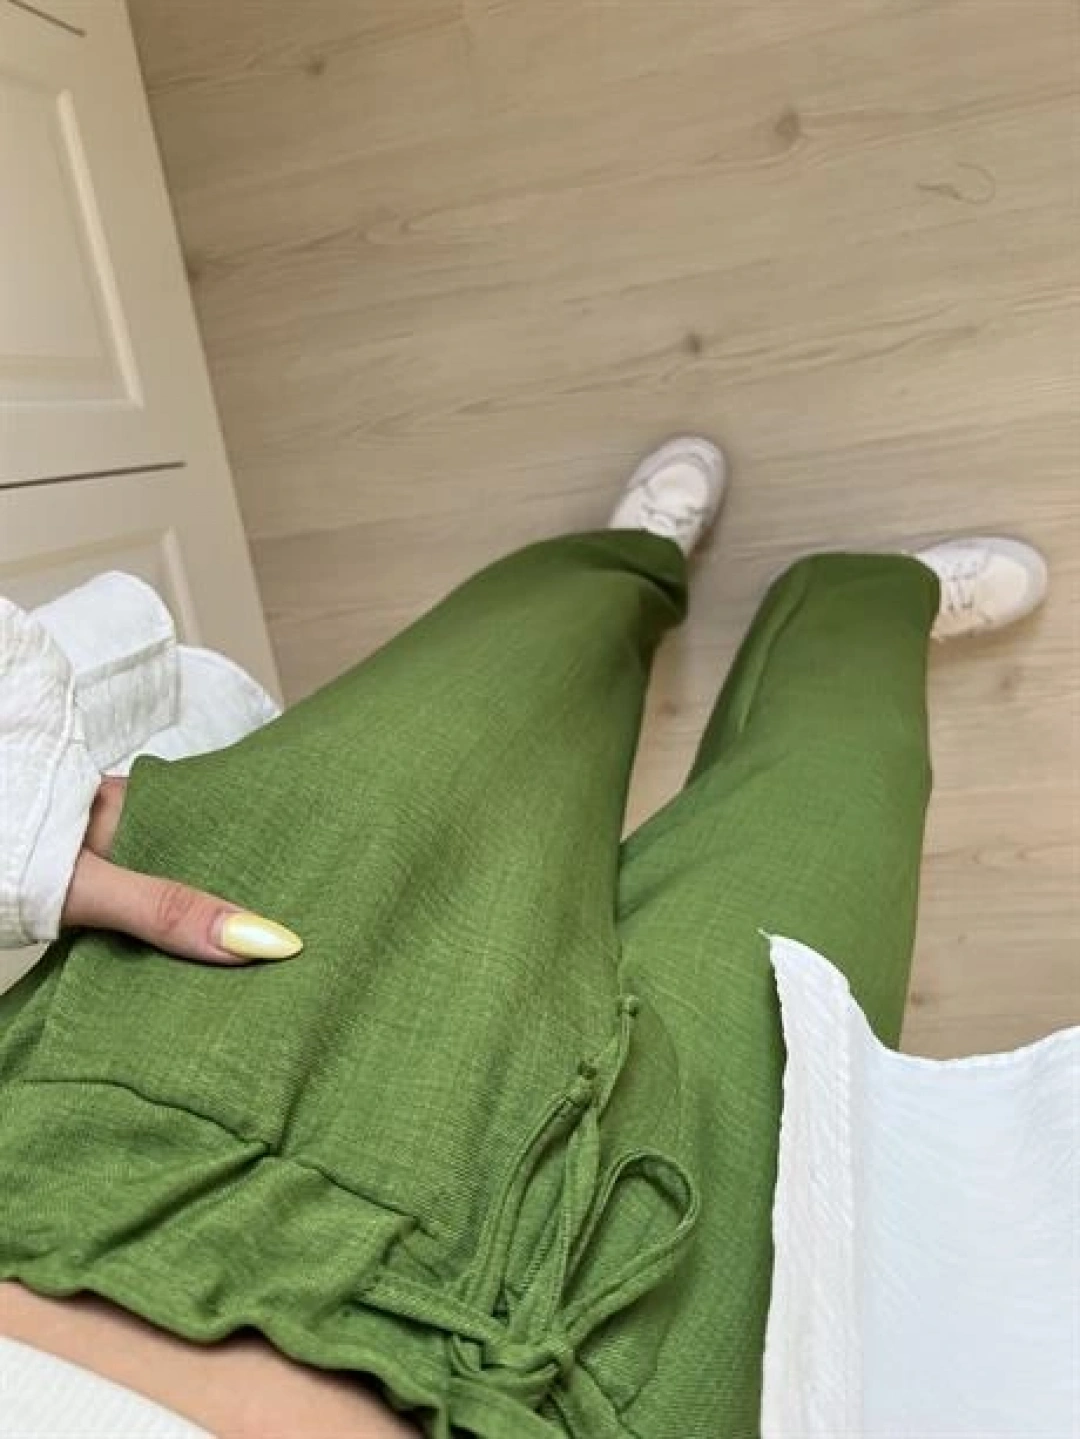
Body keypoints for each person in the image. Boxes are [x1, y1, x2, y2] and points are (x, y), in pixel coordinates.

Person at [0, 438, 1049, 1438]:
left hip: (138, 1128)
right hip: (626, 1359)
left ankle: (631, 563)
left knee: (509, 661)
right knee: (842, 797)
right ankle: (870, 601)